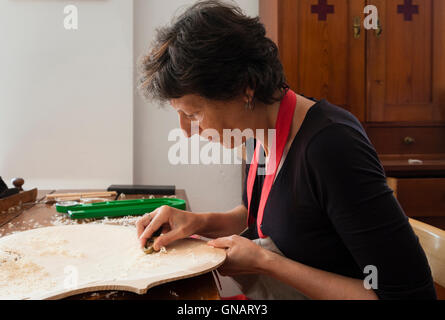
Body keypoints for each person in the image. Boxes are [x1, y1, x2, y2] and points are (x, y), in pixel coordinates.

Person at [136, 0, 437, 300]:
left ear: (245, 88)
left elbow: (409, 295)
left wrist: (267, 263)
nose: (187, 132)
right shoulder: (259, 129)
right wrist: (199, 222)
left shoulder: (331, 147)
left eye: (193, 114)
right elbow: (268, 217)